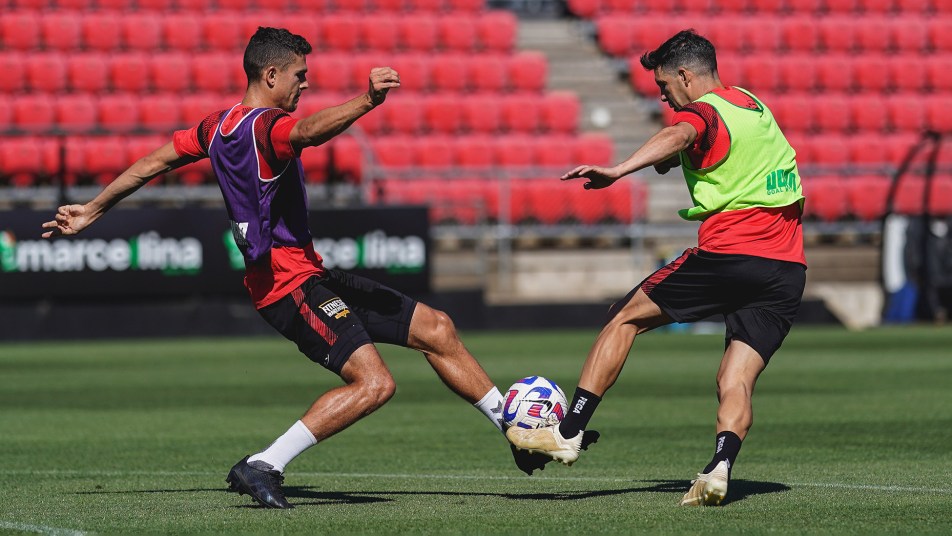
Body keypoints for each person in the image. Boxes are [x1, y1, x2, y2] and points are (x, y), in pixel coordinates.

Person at [41, 27, 549, 509]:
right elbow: (306, 131)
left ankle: (517, 430)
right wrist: (367, 100)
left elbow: (152, 162)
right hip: (287, 285)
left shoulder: (215, 127)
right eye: (299, 75)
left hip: (309, 274)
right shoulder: (268, 129)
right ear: (270, 77)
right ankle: (264, 464)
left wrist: (93, 208)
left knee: (437, 328)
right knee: (375, 385)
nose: (304, 83)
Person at [506, 29, 807, 507]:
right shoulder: (750, 104)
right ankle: (719, 467)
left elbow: (682, 132)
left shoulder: (700, 112)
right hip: (786, 266)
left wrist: (619, 170)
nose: (666, 98)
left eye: (665, 87)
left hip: (732, 252)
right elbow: (707, 149)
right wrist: (677, 159)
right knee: (735, 378)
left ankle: (568, 430)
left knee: (624, 317)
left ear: (686, 76)